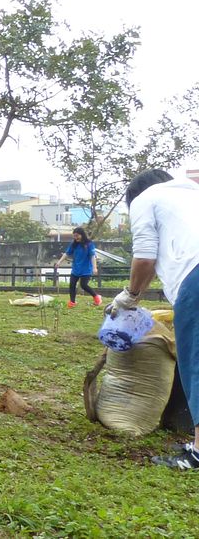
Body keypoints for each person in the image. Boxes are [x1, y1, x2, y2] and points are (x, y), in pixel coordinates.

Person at [108, 170, 199, 470]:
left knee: (196, 361)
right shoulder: (191, 193)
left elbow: (145, 257)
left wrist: (129, 296)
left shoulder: (146, 199)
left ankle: (197, 453)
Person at [54, 226, 101, 308]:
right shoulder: (73, 244)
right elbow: (66, 253)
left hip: (86, 269)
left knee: (84, 285)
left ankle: (96, 297)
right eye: (74, 236)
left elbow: (92, 256)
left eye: (77, 235)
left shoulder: (89, 244)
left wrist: (94, 267)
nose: (75, 238)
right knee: (72, 285)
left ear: (82, 235)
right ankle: (72, 302)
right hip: (76, 268)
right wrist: (59, 262)